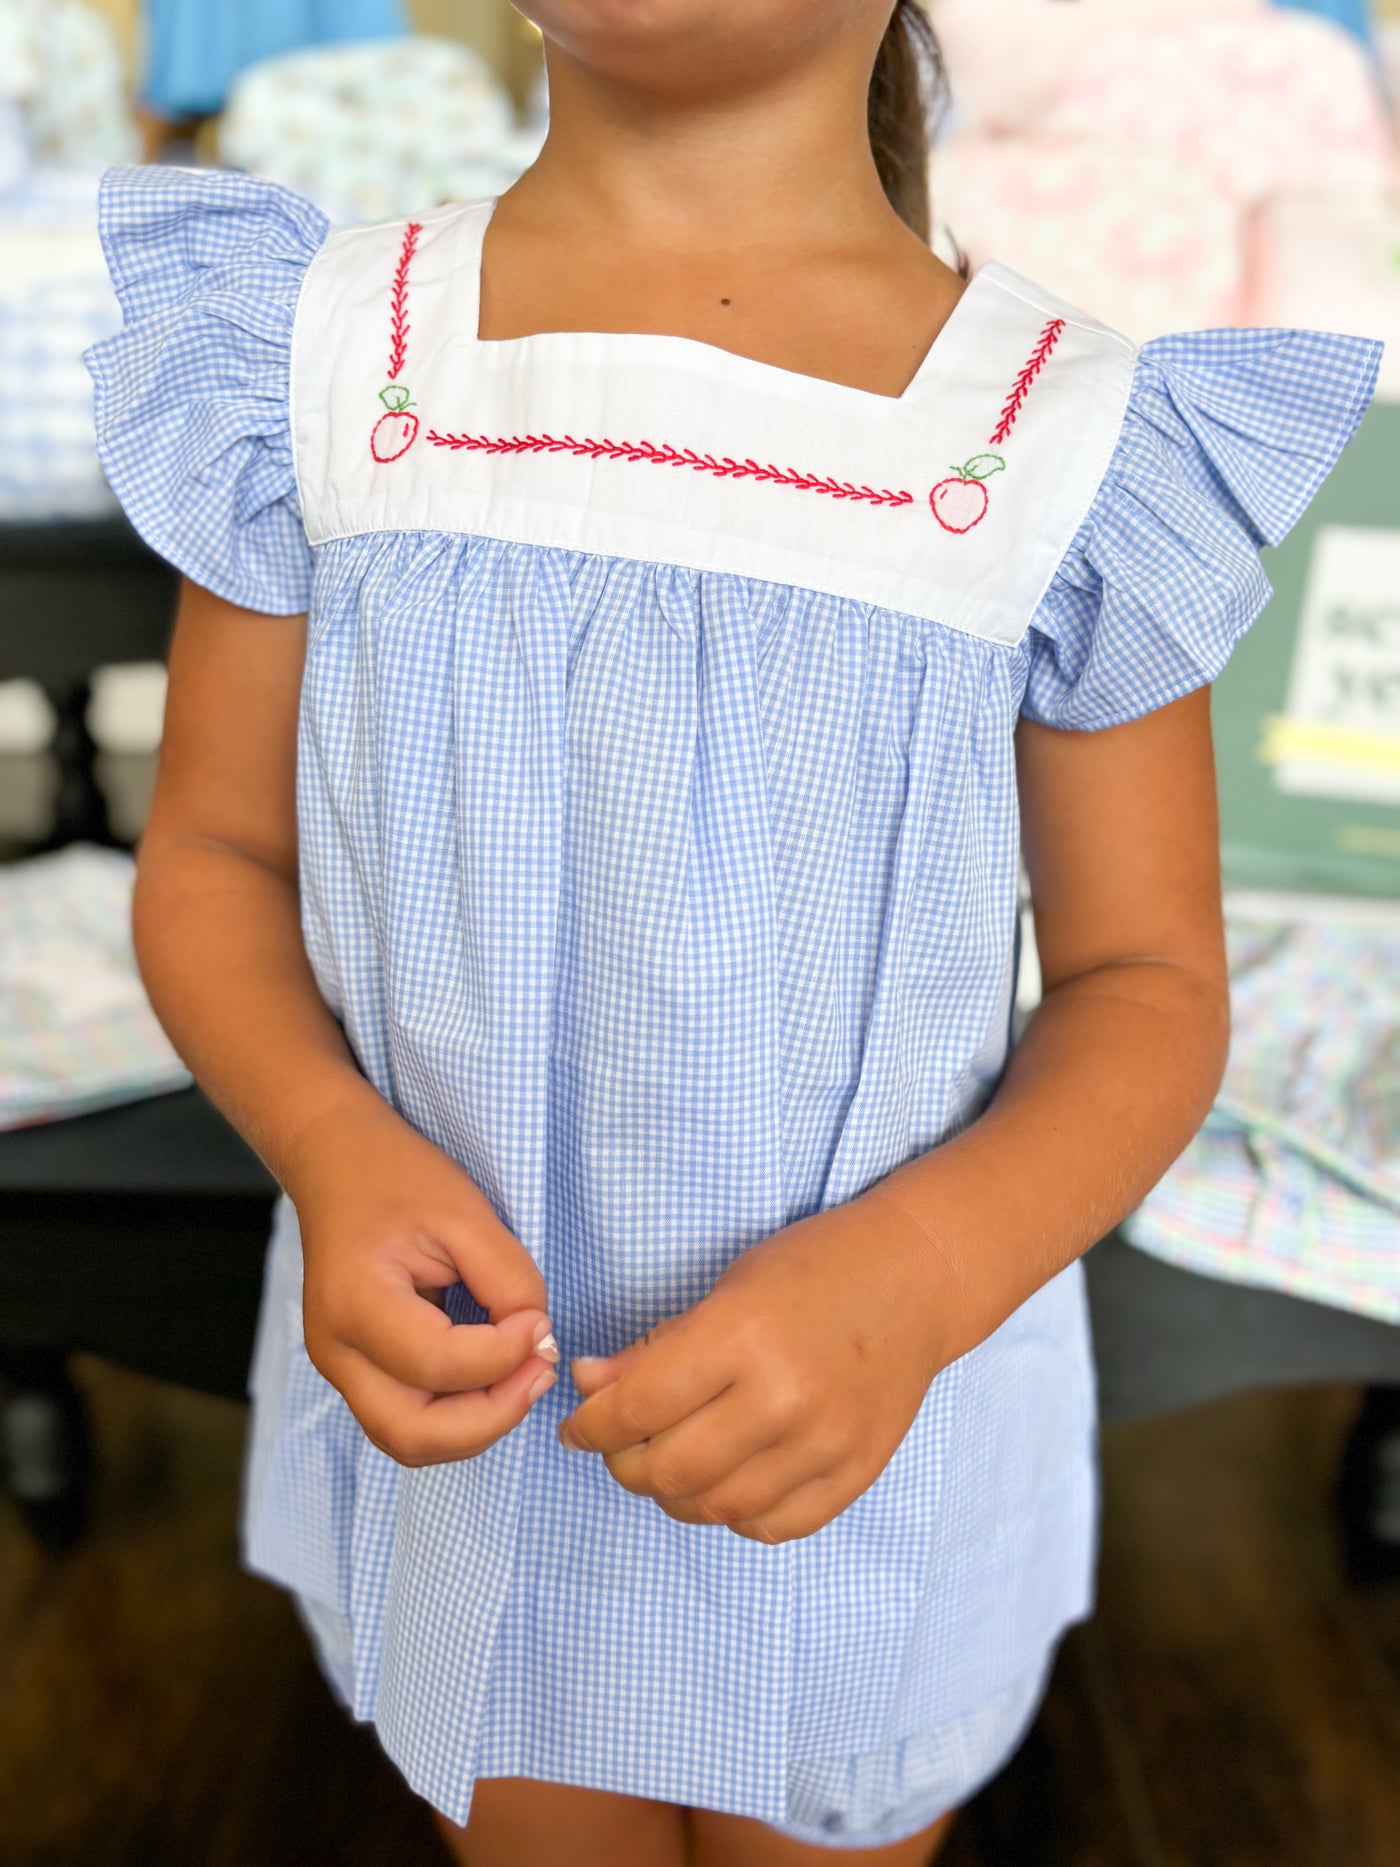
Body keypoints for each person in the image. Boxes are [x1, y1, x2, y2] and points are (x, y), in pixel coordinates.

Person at [85, 3, 1381, 1861]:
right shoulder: (322, 355)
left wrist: (912, 1287)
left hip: (873, 1429)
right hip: (467, 1414)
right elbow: (215, 855)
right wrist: (329, 1146)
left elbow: (1149, 984)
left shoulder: (1066, 441)